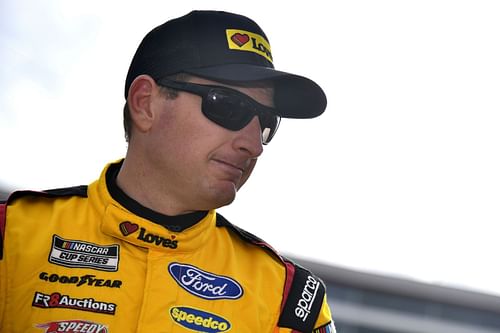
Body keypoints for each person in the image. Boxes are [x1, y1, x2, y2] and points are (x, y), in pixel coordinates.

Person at [0, 10, 335, 333]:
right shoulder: (10, 235)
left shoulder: (289, 299)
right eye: (228, 106)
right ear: (145, 103)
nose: (254, 144)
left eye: (266, 122)